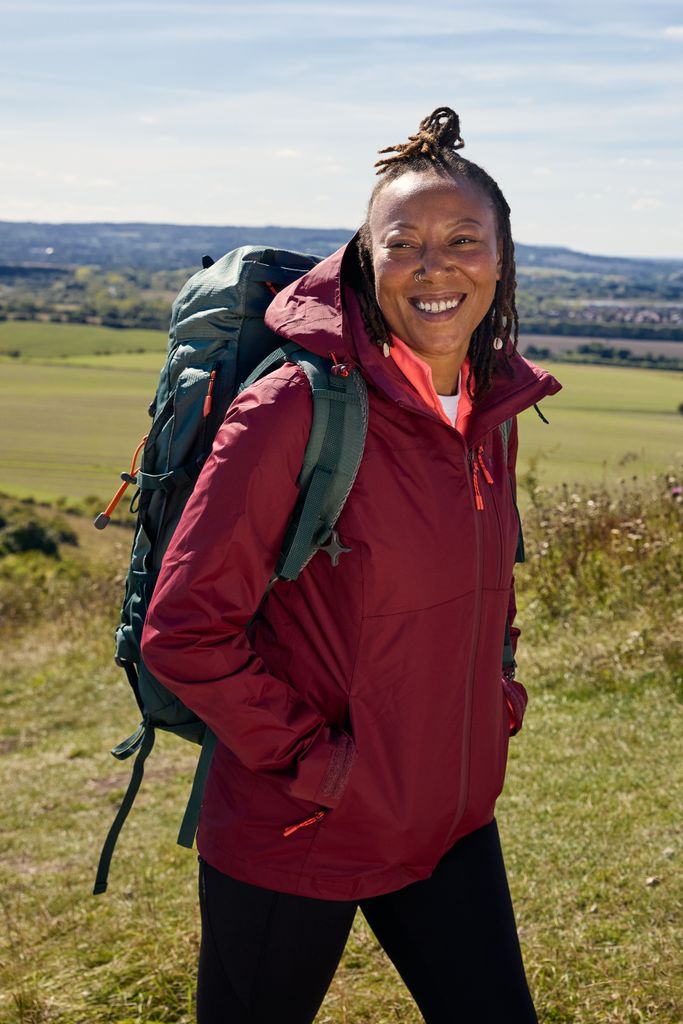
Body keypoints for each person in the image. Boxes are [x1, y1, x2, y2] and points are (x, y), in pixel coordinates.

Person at [141, 106, 561, 1024]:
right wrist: (322, 769)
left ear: (501, 257)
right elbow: (183, 632)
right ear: (365, 263)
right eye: (401, 241)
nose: (434, 264)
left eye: (462, 239)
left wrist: (495, 699)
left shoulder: (489, 408)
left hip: (448, 818)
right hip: (300, 828)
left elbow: (486, 587)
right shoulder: (294, 407)